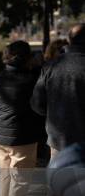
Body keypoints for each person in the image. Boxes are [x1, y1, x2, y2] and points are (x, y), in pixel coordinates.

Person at [0, 41, 44, 196]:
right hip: (24, 137)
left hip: (1, 136)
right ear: (27, 57)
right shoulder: (32, 80)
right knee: (19, 180)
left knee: (5, 178)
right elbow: (39, 108)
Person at [31, 23, 85, 156]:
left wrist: (54, 114)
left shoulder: (50, 67)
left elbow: (37, 104)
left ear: (70, 40)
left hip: (59, 141)